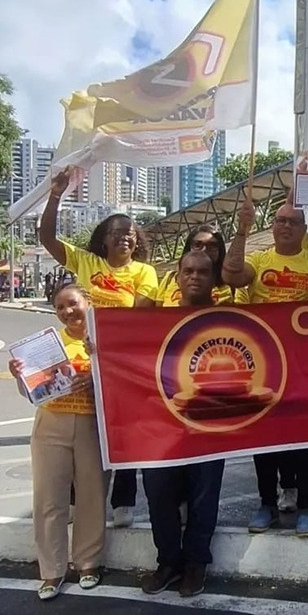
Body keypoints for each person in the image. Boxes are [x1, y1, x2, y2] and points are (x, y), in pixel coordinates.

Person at [40, 167, 158, 529]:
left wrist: (106, 345)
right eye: (116, 233)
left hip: (121, 363)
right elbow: (46, 238)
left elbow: (139, 317)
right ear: (103, 241)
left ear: (137, 242)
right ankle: (80, 499)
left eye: (130, 233)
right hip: (84, 360)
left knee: (124, 430)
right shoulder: (87, 263)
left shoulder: (145, 273)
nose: (124, 237)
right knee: (87, 433)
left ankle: (124, 499)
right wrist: (56, 195)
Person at [222, 199, 308, 536]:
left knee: (305, 441)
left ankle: (307, 509)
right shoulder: (259, 260)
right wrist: (240, 231)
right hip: (263, 366)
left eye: (293, 222)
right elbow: (232, 275)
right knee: (265, 440)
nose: (285, 226)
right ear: (271, 226)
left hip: (304, 368)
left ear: (304, 228)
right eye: (280, 220)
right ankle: (266, 504)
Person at [8, 284, 108, 601]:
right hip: (51, 424)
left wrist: (95, 374)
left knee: (92, 495)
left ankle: (88, 564)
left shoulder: (102, 340)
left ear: (87, 303)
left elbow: (121, 382)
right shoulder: (47, 345)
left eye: (72, 304)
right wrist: (20, 377)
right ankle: (51, 570)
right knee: (49, 499)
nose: (67, 312)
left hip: (93, 424)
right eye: (60, 307)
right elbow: (32, 394)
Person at [141, 251, 227, 597]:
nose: (195, 277)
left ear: (213, 278)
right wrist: (98, 347)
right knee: (158, 494)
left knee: (204, 496)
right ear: (176, 277)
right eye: (188, 271)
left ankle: (196, 564)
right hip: (160, 427)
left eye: (203, 272)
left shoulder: (229, 319)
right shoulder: (153, 321)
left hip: (210, 426)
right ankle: (168, 562)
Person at [156, 225, 232, 306]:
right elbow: (158, 312)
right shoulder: (170, 278)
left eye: (212, 245)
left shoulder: (232, 282)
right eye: (197, 245)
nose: (204, 250)